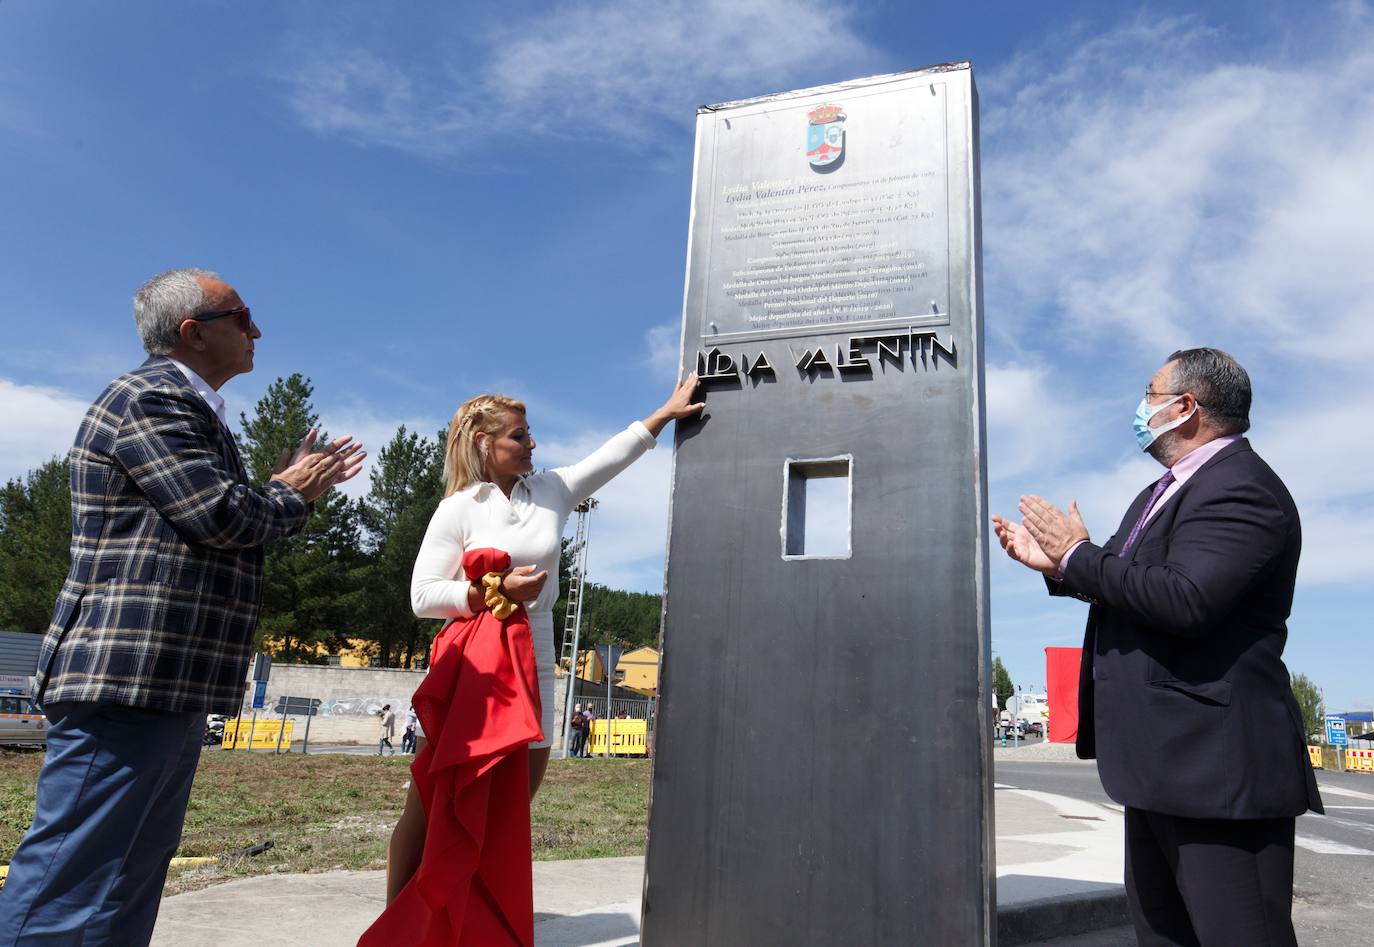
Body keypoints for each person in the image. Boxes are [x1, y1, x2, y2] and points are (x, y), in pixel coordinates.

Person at [0, 268, 364, 946]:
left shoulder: (188, 409)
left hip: (160, 681)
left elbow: (213, 519)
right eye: (242, 315)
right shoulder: (150, 398)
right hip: (125, 680)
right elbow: (221, 515)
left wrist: (282, 493)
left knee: (125, 878)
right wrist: (292, 493)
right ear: (192, 332)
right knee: (71, 881)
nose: (257, 330)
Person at [992, 348, 1321, 946]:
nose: (1141, 408)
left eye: (1150, 394)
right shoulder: (1158, 494)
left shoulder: (1241, 488)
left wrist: (1077, 555)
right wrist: (1063, 567)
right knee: (1162, 934)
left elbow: (1187, 598)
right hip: (1158, 765)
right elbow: (1127, 585)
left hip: (1216, 774)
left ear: (1186, 407)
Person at [378, 376, 704, 912]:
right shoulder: (458, 508)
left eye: (530, 435)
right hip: (476, 661)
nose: (533, 445)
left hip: (538, 647)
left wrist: (664, 415)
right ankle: (401, 922)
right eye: (520, 436)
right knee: (436, 798)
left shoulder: (552, 489)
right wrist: (492, 591)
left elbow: (611, 456)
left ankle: (470, 917)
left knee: (513, 802)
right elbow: (422, 596)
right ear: (485, 443)